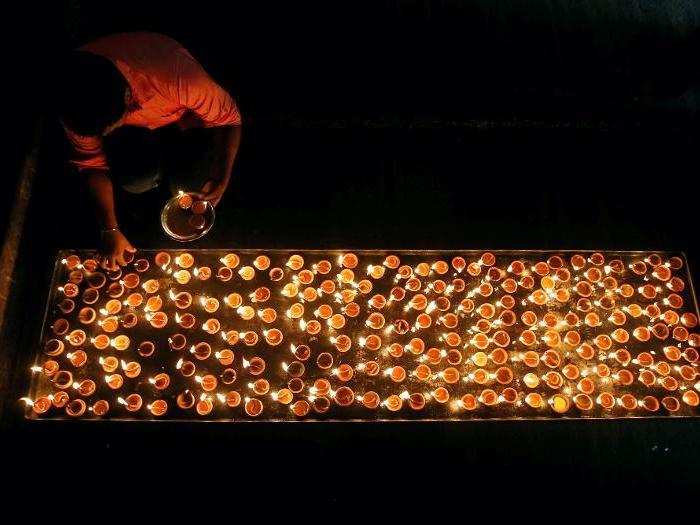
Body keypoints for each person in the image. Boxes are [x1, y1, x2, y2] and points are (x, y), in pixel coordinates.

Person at [59, 32, 242, 270]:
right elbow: (91, 164)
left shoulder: (176, 78)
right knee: (136, 180)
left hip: (186, 118)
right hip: (136, 131)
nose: (99, 138)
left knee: (193, 183)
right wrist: (110, 229)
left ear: (128, 97)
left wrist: (222, 177)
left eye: (108, 128)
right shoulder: (73, 104)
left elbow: (229, 119)